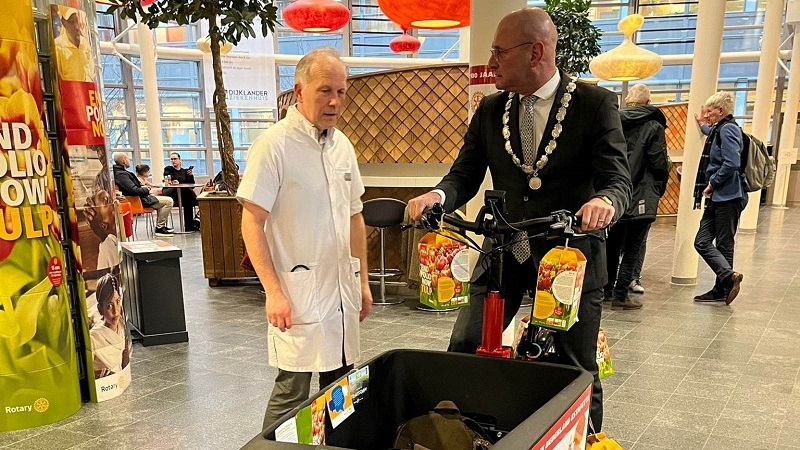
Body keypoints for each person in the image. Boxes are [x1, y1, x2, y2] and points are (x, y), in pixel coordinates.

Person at [407, 8, 630, 433]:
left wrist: (604, 202)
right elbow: (463, 175)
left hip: (569, 257)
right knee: (466, 344)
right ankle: (468, 433)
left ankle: (585, 440)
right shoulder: (491, 110)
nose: (491, 63)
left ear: (536, 53)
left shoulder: (594, 104)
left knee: (575, 365)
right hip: (505, 253)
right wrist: (437, 195)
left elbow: (617, 178)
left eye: (499, 52)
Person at [237, 47, 373, 429]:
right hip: (297, 292)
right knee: (292, 390)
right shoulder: (273, 144)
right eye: (324, 90)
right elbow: (252, 221)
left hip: (342, 290)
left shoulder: (342, 145)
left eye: (341, 92)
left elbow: (355, 216)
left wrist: (362, 281)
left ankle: (337, 443)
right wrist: (273, 291)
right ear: (299, 92)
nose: (334, 101)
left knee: (342, 386)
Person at [604, 84, 670, 309]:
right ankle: (621, 295)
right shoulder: (654, 125)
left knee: (611, 243)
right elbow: (659, 162)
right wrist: (658, 188)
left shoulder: (613, 121)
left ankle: (606, 290)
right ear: (648, 103)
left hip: (614, 192)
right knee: (634, 245)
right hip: (642, 191)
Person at [692, 92, 745, 304]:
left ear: (720, 111)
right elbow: (711, 134)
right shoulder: (718, 129)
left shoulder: (729, 129)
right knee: (702, 241)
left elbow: (732, 162)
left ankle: (721, 288)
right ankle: (728, 278)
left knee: (724, 244)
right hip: (718, 197)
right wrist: (701, 125)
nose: (706, 114)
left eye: (710, 111)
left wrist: (712, 182)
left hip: (728, 196)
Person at [112, 153, 174, 237]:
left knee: (163, 200)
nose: (129, 160)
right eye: (127, 159)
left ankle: (161, 226)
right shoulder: (122, 174)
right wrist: (146, 189)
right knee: (168, 201)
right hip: (138, 201)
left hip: (140, 198)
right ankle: (160, 228)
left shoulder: (121, 173)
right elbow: (133, 190)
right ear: (124, 160)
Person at [89, 273, 130, 379]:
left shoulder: (122, 325)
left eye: (117, 302)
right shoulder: (93, 338)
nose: (116, 311)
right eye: (109, 306)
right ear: (100, 309)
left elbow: (125, 360)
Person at [54, 7, 94, 82]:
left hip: (86, 90)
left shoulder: (85, 43)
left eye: (77, 22)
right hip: (68, 90)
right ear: (64, 22)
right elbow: (56, 76)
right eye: (72, 22)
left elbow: (92, 73)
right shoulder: (58, 45)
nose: (76, 27)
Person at [163, 153, 200, 231]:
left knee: (187, 200)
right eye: (172, 159)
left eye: (175, 159)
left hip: (184, 195)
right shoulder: (168, 169)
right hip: (172, 193)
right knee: (187, 193)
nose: (173, 161)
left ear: (180, 160)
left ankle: (189, 226)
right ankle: (198, 202)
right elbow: (170, 179)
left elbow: (191, 185)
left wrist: (190, 176)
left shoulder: (185, 171)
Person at [85, 188, 118, 271]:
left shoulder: (115, 240)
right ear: (103, 225)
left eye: (111, 199)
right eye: (107, 201)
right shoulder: (106, 249)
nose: (114, 203)